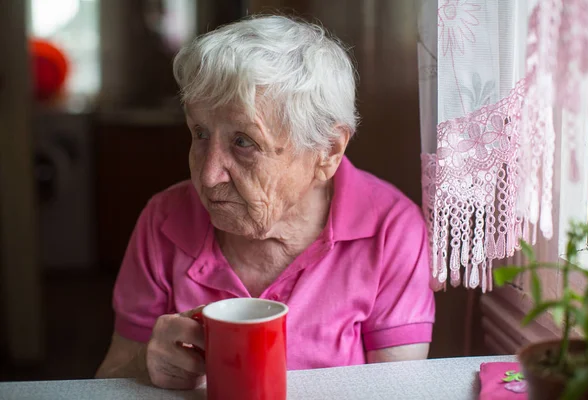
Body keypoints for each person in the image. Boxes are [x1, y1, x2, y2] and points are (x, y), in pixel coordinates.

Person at [96, 15, 435, 389]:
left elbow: (397, 392)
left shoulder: (391, 231)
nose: (208, 176)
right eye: (200, 133)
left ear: (327, 151)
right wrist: (144, 366)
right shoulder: (163, 221)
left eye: (243, 141)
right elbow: (109, 379)